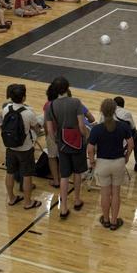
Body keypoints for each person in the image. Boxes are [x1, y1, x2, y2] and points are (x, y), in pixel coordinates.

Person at [88, 98, 133, 230]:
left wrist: (92, 161)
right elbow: (131, 144)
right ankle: (114, 221)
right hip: (118, 162)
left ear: (102, 111)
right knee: (116, 193)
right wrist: (127, 157)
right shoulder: (123, 126)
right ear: (115, 111)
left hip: (102, 163)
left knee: (105, 194)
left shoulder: (97, 129)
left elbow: (90, 149)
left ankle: (106, 219)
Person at [47, 78, 88, 218]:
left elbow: (50, 130)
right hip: (77, 142)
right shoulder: (76, 102)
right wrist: (86, 137)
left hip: (62, 143)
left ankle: (63, 207)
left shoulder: (51, 106)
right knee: (77, 172)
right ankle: (76, 200)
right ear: (67, 87)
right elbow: (81, 125)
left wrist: (57, 141)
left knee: (64, 176)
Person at [2, 84, 41, 210]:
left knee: (10, 172)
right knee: (27, 175)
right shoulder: (28, 113)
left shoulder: (6, 109)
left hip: (10, 147)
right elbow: (37, 129)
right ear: (24, 97)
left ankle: (11, 198)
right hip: (25, 148)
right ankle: (28, 202)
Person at [112, 96, 137, 171]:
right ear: (123, 105)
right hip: (120, 144)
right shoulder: (127, 113)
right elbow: (133, 129)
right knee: (136, 133)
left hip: (104, 144)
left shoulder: (105, 112)